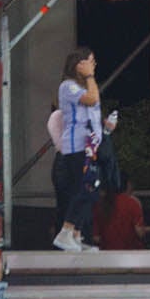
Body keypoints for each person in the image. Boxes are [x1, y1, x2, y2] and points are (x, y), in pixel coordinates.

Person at [50, 48, 104, 252]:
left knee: (88, 191)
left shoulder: (85, 87)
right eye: (90, 62)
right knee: (86, 188)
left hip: (89, 147)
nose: (93, 66)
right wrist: (89, 76)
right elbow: (92, 99)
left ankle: (76, 235)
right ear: (78, 65)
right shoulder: (67, 86)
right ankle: (65, 231)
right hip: (76, 147)